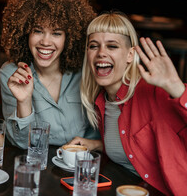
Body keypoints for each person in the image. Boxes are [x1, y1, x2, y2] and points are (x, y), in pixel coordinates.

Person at [69, 11, 187, 195]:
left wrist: (177, 88)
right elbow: (131, 141)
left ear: (130, 55)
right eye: (94, 46)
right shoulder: (102, 100)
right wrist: (96, 144)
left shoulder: (152, 90)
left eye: (112, 46)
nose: (101, 53)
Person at [0, 0, 100, 149]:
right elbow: (21, 143)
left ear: (70, 38)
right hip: (38, 161)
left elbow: (100, 130)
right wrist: (24, 101)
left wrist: (95, 144)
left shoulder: (85, 71)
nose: (45, 42)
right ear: (26, 33)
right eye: (38, 31)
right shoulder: (12, 74)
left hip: (82, 161)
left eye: (56, 33)